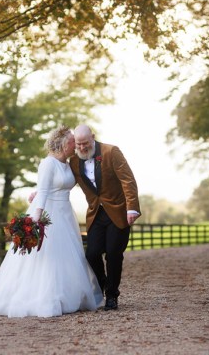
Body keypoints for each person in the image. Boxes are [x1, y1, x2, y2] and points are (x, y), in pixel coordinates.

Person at [0, 126, 103, 317]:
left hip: (65, 214)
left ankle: (69, 295)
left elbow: (54, 185)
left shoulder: (69, 162)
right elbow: (45, 190)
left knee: (68, 256)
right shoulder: (48, 163)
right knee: (49, 256)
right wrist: (36, 219)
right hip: (49, 214)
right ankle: (47, 297)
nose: (76, 145)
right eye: (73, 142)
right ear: (64, 144)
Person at [69, 124, 141, 311]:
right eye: (78, 144)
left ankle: (112, 296)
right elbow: (62, 181)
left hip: (118, 212)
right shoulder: (74, 162)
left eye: (85, 143)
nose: (82, 148)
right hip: (95, 214)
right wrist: (40, 193)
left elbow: (128, 180)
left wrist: (132, 208)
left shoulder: (111, 152)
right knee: (91, 254)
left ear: (93, 137)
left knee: (113, 254)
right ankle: (103, 285)